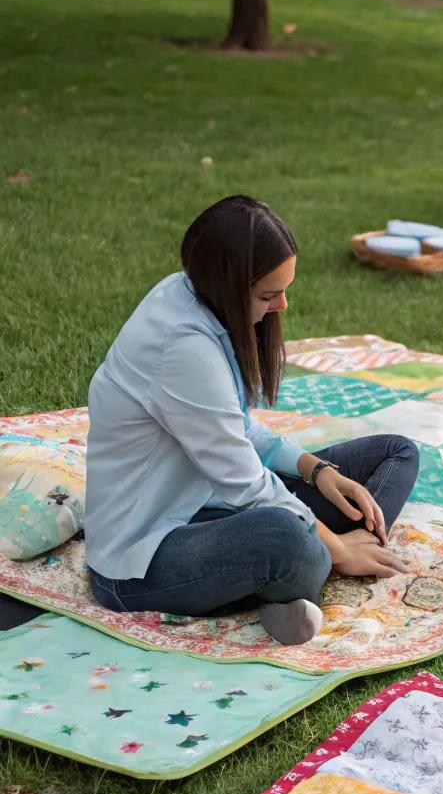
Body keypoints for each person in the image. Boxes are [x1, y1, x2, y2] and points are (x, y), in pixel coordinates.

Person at [85, 196, 419, 646]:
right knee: (284, 537)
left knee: (395, 453)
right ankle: (304, 570)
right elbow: (246, 485)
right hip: (142, 557)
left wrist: (315, 470)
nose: (283, 305)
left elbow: (236, 429)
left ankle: (286, 581)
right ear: (226, 284)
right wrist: (336, 549)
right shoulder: (182, 347)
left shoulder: (193, 295)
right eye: (268, 294)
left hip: (206, 506)